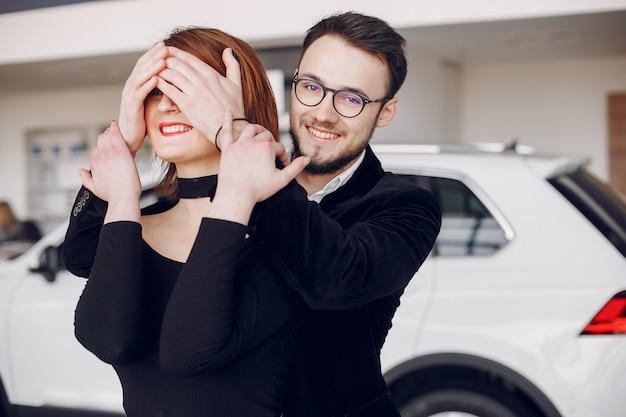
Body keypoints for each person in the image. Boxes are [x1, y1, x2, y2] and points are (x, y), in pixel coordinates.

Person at [65, 12, 442, 417]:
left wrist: (232, 135)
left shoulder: (405, 205)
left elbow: (334, 276)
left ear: (385, 111)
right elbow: (83, 257)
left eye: (352, 98)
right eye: (311, 87)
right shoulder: (181, 210)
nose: (324, 113)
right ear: (293, 85)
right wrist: (120, 149)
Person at [72, 27, 309, 417]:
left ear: (239, 100)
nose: (166, 105)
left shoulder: (281, 233)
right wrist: (123, 158)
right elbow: (108, 339)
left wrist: (233, 134)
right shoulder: (133, 223)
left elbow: (189, 353)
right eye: (154, 91)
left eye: (188, 90)